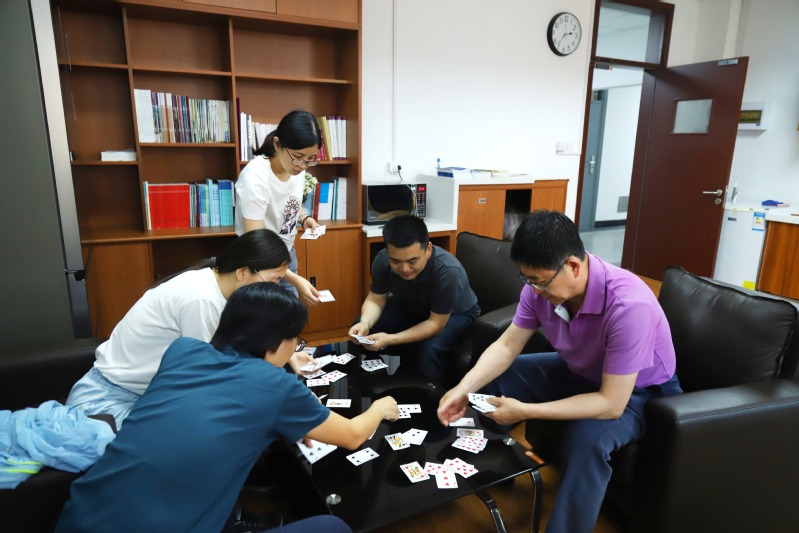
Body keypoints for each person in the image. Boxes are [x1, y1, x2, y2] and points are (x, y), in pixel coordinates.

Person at [55, 283, 398, 533]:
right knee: (332, 528)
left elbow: (210, 416)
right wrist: (381, 406)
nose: (296, 346)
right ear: (274, 342)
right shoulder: (276, 386)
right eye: (296, 339)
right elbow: (353, 435)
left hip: (80, 516)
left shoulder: (182, 349)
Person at [437, 210, 682, 533]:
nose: (533, 289)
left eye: (539, 281)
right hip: (578, 371)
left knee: (587, 438)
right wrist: (463, 388)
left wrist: (526, 411)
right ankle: (490, 468)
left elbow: (611, 404)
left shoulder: (629, 306)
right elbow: (508, 345)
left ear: (573, 266)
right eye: (527, 279)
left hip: (639, 394)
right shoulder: (539, 286)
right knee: (501, 376)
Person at [66, 229, 318, 428]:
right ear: (242, 272)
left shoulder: (218, 286)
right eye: (273, 281)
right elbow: (214, 378)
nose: (274, 289)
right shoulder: (202, 300)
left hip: (144, 396)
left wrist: (288, 356)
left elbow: (236, 352)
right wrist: (286, 398)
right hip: (107, 403)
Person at [350, 215, 480, 385]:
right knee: (361, 330)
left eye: (413, 261)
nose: (404, 268)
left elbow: (435, 324)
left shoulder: (448, 271)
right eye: (395, 261)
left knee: (428, 349)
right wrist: (365, 323)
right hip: (412, 307)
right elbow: (375, 299)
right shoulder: (382, 260)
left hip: (455, 315)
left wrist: (390, 339)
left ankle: (428, 397)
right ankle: (374, 385)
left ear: (428, 250)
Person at [235, 110, 323, 306]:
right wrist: (295, 279)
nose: (304, 166)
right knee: (265, 316)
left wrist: (304, 217)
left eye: (311, 159)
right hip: (258, 261)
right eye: (299, 157)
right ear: (277, 144)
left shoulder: (295, 166)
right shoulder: (255, 178)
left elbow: (289, 201)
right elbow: (255, 241)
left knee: (289, 314)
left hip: (287, 253)